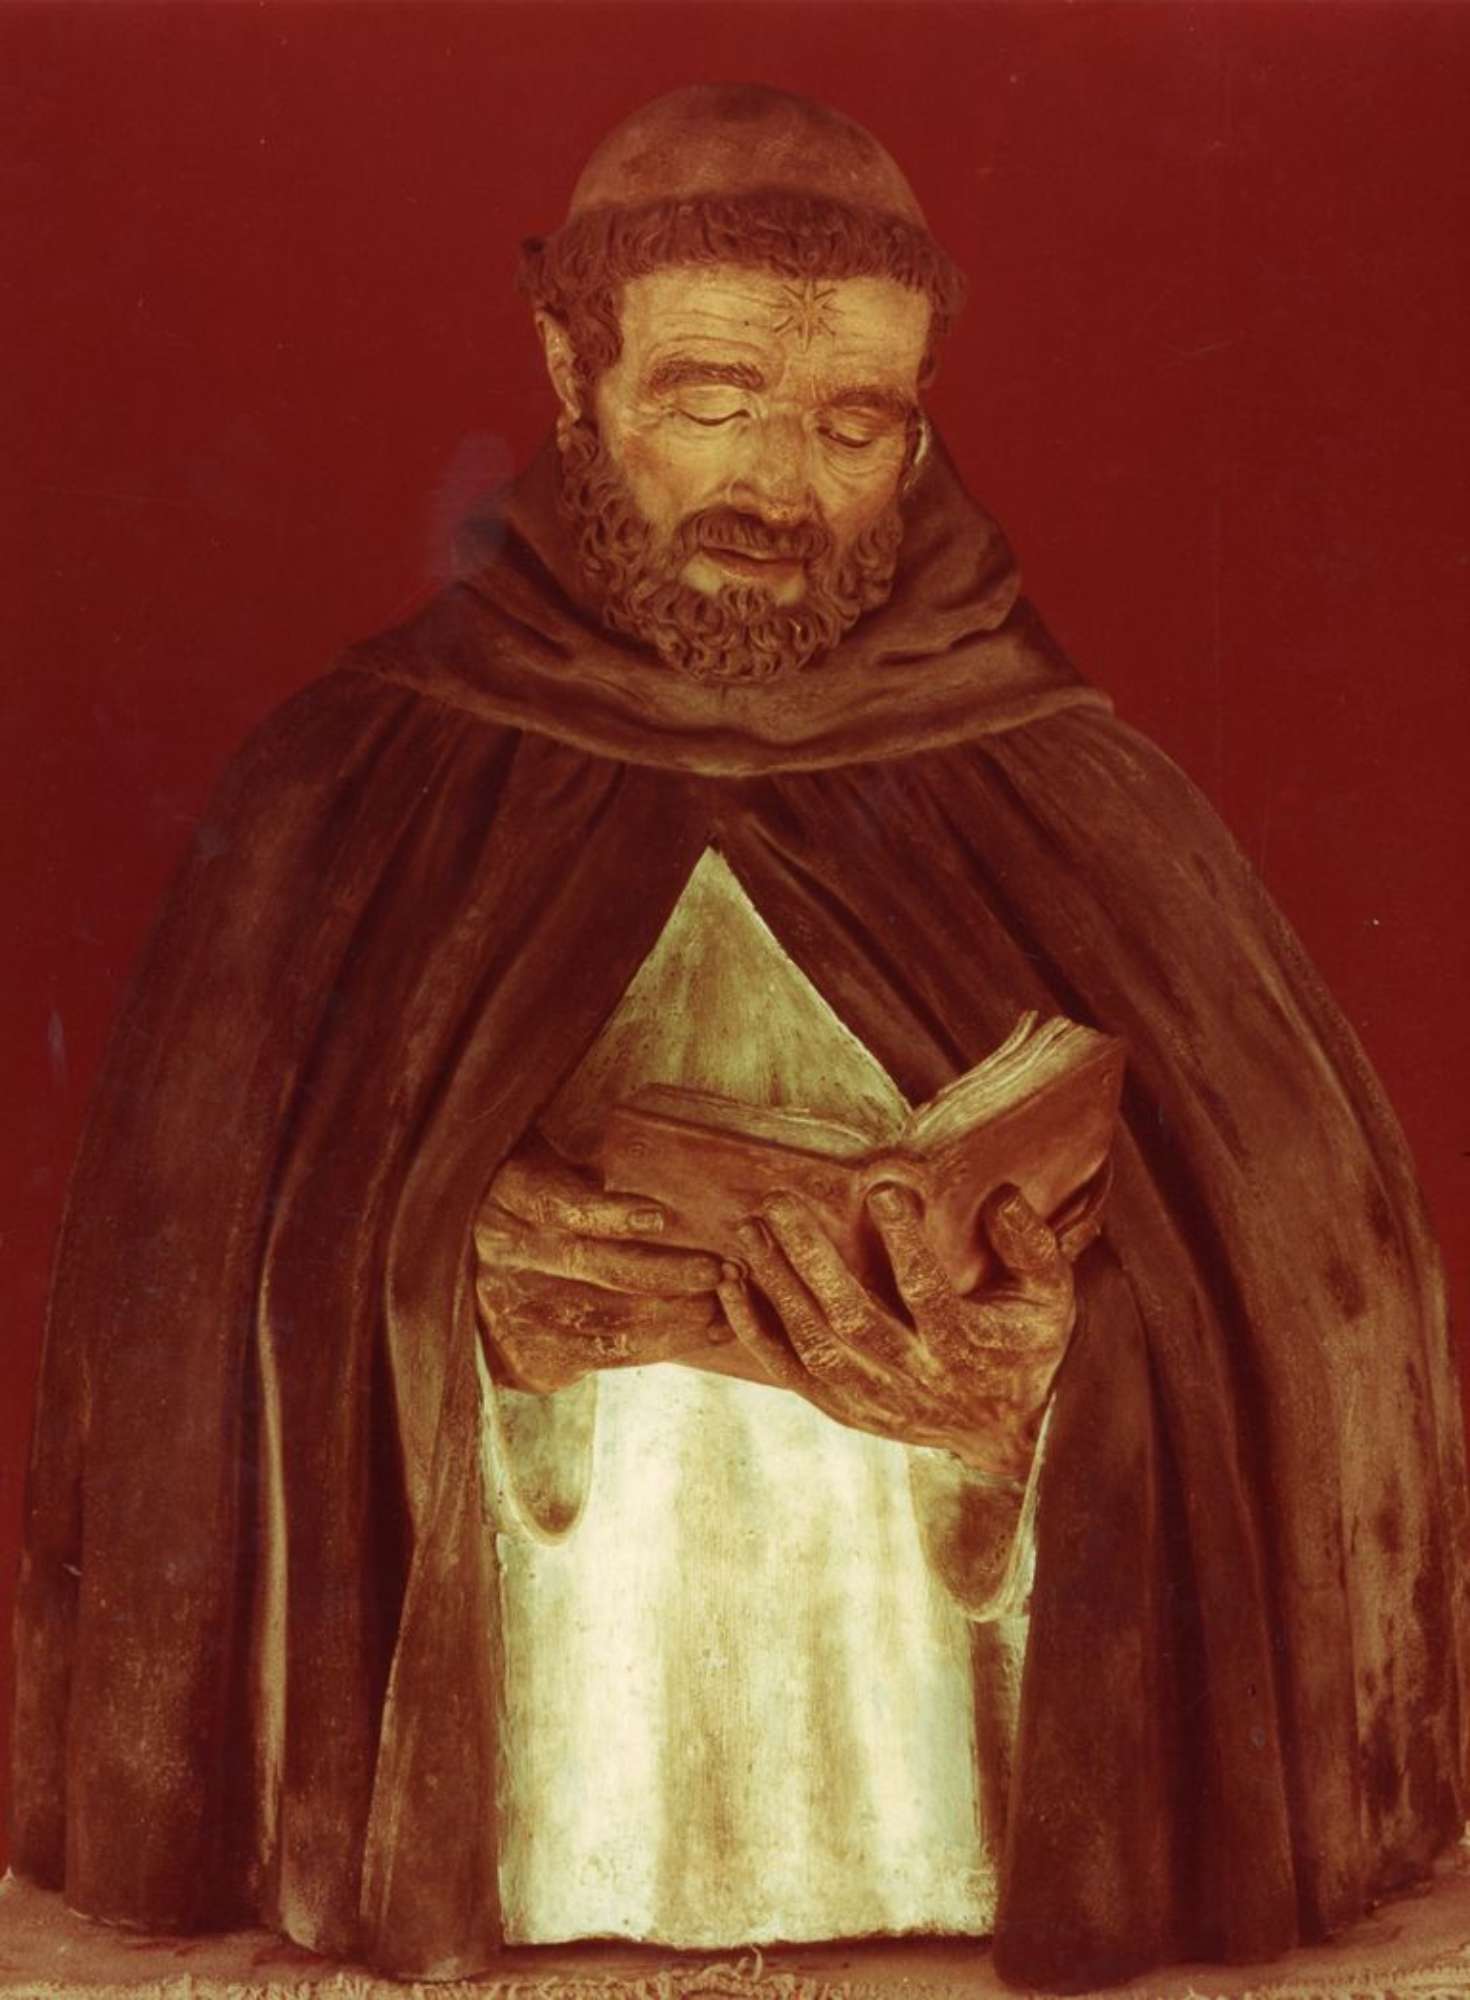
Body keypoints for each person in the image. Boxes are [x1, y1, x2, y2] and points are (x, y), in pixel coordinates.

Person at [11, 83, 1468, 1994]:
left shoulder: (1081, 788)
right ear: (571, 370)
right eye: (711, 399)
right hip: (496, 1750)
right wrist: (421, 1271)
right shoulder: (335, 785)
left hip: (979, 1722)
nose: (778, 485)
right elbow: (175, 1299)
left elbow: (1328, 1310)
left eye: (853, 422)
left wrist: (1077, 1363)